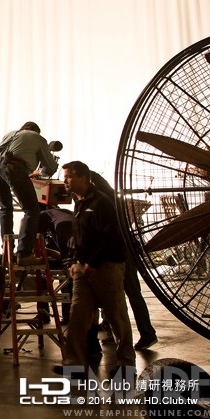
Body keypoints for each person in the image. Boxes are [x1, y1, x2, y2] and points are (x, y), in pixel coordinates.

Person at [54, 161, 135, 376]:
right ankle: (74, 363)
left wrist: (93, 262)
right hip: (83, 268)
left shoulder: (102, 203)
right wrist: (75, 261)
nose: (64, 181)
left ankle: (127, 364)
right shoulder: (79, 203)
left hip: (106, 267)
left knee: (116, 316)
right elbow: (80, 236)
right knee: (77, 316)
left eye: (69, 177)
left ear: (84, 178)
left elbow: (110, 237)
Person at [89, 171, 158, 350]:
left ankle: (143, 333)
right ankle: (141, 333)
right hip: (125, 250)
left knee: (121, 293)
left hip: (120, 253)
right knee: (129, 293)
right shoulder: (113, 200)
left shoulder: (102, 203)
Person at [0, 121, 59, 265]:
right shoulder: (37, 137)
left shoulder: (10, 134)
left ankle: (7, 251)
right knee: (32, 210)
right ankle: (24, 253)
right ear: (36, 131)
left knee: (5, 208)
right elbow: (51, 167)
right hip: (13, 167)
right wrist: (39, 172)